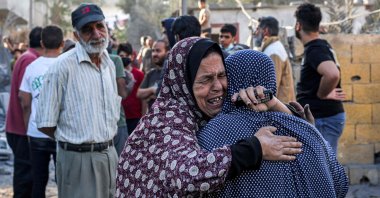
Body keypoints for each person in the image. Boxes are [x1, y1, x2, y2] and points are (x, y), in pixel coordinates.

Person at [116, 37, 303, 197]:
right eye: (205, 79)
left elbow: (303, 129)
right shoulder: (167, 119)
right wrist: (255, 148)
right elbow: (189, 175)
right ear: (184, 83)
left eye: (222, 75)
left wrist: (272, 103)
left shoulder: (200, 110)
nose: (218, 86)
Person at [197, 49, 349, 197]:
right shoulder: (306, 129)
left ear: (229, 81)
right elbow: (340, 185)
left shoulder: (210, 134)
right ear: (271, 79)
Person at [35, 4, 119, 198]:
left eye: (100, 26)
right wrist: (75, 142)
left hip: (109, 155)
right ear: (76, 36)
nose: (96, 34)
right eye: (87, 30)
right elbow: (45, 123)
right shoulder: (61, 68)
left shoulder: (109, 64)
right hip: (78, 160)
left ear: (106, 28)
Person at [18, 25, 63, 198]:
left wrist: (27, 127)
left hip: (37, 131)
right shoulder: (67, 66)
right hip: (62, 132)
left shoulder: (32, 68)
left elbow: (25, 103)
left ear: (42, 43)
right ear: (61, 44)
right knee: (63, 180)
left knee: (39, 181)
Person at [295, 3, 346, 154]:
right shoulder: (320, 46)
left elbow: (332, 74)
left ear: (298, 25)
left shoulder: (315, 49)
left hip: (323, 118)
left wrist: (322, 94)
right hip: (324, 117)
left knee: (325, 169)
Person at [5, 26, 43, 198]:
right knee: (25, 177)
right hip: (21, 129)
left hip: (17, 127)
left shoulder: (27, 57)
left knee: (25, 174)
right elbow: (24, 99)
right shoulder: (30, 60)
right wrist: (30, 129)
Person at [255, 16, 295, 103]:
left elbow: (271, 88)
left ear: (265, 31)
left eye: (258, 29)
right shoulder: (271, 48)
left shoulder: (274, 51)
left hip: (279, 110)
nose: (256, 32)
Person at [117, 42, 145, 134]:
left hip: (135, 117)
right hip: (119, 118)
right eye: (121, 56)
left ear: (131, 57)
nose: (123, 58)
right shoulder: (114, 74)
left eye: (126, 56)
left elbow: (143, 98)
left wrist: (143, 117)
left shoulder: (139, 74)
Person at [136, 40, 169, 109]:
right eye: (153, 51)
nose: (154, 54)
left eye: (158, 51)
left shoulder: (171, 73)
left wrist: (150, 94)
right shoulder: (151, 73)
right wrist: (152, 90)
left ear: (167, 53)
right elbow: (139, 93)